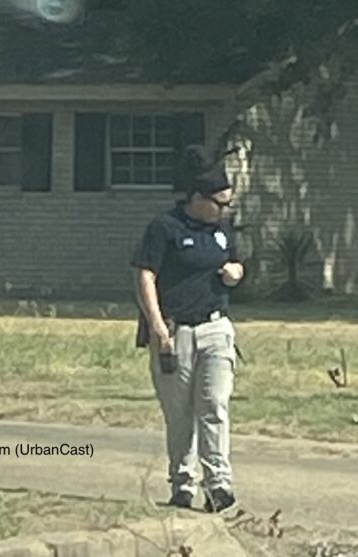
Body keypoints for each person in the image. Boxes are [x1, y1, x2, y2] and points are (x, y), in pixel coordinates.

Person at [130, 145, 244, 513]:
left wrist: (235, 274)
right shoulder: (165, 228)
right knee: (179, 413)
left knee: (214, 405)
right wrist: (156, 324)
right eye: (219, 203)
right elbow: (146, 273)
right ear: (198, 199)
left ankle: (219, 485)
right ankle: (182, 482)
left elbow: (236, 263)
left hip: (215, 330)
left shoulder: (223, 230)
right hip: (176, 332)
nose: (224, 211)